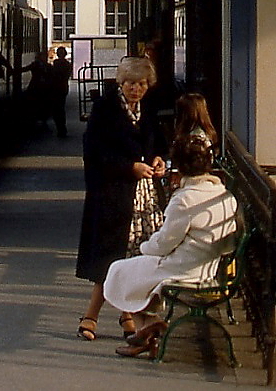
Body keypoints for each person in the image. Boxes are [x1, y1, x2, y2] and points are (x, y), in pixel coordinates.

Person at [102, 134, 238, 358]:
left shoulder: (185, 198)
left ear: (181, 169)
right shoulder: (225, 195)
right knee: (136, 271)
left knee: (119, 269)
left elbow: (164, 243)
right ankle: (146, 334)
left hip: (184, 270)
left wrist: (144, 248)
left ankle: (147, 329)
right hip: (208, 267)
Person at [75, 56, 168, 342]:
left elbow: (158, 143)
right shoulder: (105, 109)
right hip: (112, 194)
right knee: (111, 259)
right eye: (130, 84)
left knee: (133, 259)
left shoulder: (148, 108)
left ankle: (127, 315)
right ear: (121, 83)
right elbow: (93, 153)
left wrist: (159, 160)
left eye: (141, 84)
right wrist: (129, 167)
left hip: (143, 198)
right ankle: (91, 317)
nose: (136, 89)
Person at [49, 46, 74, 138]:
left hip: (55, 87)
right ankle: (62, 128)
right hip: (64, 87)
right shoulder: (68, 64)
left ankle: (60, 128)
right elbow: (68, 75)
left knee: (56, 109)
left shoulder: (55, 63)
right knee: (61, 107)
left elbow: (53, 74)